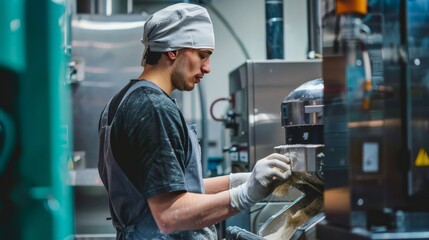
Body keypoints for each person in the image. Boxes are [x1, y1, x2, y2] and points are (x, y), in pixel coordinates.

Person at [98, 3, 292, 239]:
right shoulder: (154, 108)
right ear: (172, 51)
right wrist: (245, 194)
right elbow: (170, 214)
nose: (207, 68)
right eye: (202, 55)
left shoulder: (120, 102)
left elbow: (163, 188)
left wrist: (236, 181)